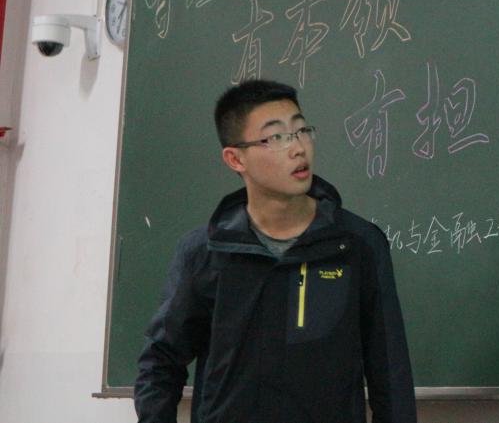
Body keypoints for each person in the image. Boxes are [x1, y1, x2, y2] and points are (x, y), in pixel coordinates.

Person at [134, 79, 416, 423]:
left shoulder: (357, 244)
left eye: (301, 131)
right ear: (235, 158)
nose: (298, 148)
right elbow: (161, 362)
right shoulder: (205, 252)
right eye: (276, 137)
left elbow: (390, 374)